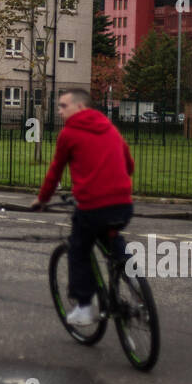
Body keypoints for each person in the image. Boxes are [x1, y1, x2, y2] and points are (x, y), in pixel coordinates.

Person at [31, 89, 134, 327]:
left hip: (92, 207)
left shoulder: (69, 133)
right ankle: (134, 277)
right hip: (122, 204)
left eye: (63, 106)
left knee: (78, 250)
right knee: (113, 240)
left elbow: (55, 171)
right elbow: (129, 163)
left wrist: (42, 200)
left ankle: (85, 307)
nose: (59, 111)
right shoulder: (110, 127)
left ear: (80, 107)